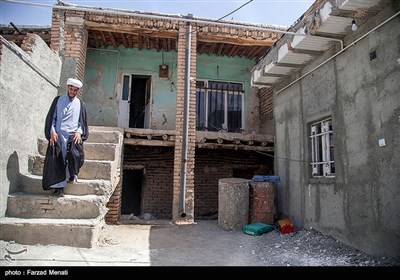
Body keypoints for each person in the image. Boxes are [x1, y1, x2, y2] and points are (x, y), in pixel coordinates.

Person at [42, 78, 89, 196]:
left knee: (74, 157)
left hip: (72, 137)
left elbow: (81, 123)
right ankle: (59, 188)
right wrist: (52, 131)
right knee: (58, 160)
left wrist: (79, 132)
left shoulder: (80, 104)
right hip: (58, 136)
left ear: (78, 91)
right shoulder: (58, 100)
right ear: (68, 88)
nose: (72, 91)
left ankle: (72, 175)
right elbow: (52, 118)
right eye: (71, 89)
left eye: (75, 90)